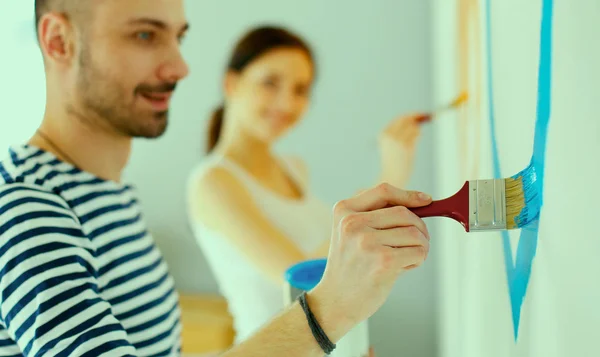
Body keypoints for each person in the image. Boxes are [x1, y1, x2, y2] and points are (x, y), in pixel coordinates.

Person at [0, 0, 432, 356]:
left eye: (179, 37)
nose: (180, 66)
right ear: (59, 41)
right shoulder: (25, 209)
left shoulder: (109, 193)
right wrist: (329, 313)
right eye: (145, 35)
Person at [185, 25, 427, 350]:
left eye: (300, 89)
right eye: (270, 83)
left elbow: (337, 272)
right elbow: (304, 281)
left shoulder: (294, 168)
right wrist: (391, 177)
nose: (286, 101)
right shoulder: (212, 183)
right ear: (231, 84)